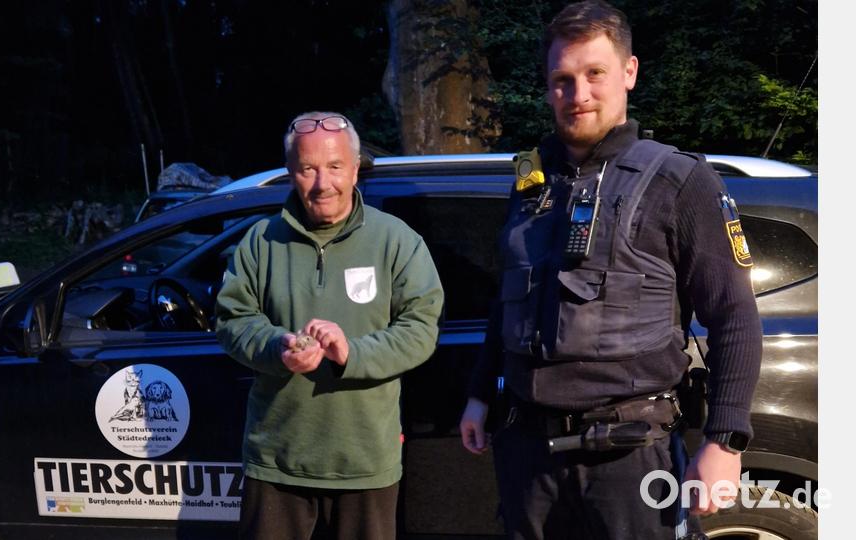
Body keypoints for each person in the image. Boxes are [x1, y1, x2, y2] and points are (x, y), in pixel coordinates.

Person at [458, 2, 762, 539]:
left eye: (594, 73)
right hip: (528, 455)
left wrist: (724, 440)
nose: (578, 95)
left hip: (630, 460)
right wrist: (482, 394)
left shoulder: (680, 180)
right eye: (562, 79)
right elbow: (508, 305)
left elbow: (734, 316)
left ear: (629, 72)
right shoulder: (530, 183)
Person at [215, 111, 444, 540]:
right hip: (276, 460)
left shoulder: (397, 241)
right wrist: (275, 346)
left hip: (365, 464)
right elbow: (232, 320)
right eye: (308, 169)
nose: (323, 184)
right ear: (290, 173)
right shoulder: (259, 243)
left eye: (336, 166)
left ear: (356, 169)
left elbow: (421, 327)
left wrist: (350, 353)